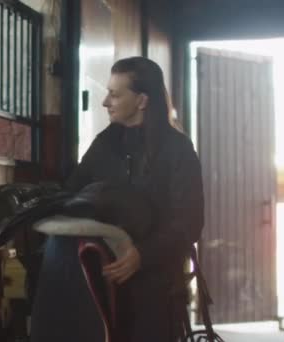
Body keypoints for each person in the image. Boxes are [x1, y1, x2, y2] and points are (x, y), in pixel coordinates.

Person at [64, 56, 205, 341]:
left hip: (158, 287)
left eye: (115, 94)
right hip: (104, 282)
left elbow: (190, 222)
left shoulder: (178, 149)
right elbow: (70, 194)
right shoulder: (104, 144)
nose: (105, 101)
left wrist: (143, 255)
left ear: (142, 101)